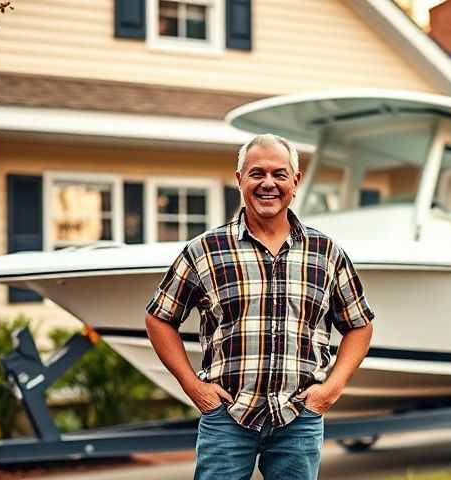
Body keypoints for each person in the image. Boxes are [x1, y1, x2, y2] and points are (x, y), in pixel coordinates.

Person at [144, 133, 375, 480]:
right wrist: (194, 387)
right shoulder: (204, 251)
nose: (268, 183)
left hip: (299, 418)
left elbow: (359, 324)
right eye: (257, 173)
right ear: (240, 180)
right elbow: (159, 318)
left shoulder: (326, 253)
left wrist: (331, 390)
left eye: (279, 174)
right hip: (226, 418)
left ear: (295, 182)